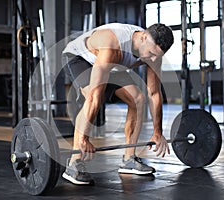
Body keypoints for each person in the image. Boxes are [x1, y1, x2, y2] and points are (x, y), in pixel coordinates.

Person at [61, 23, 174, 185]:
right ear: (143, 38)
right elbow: (94, 96)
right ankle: (74, 163)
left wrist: (158, 132)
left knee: (138, 99)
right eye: (151, 54)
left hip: (114, 66)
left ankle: (129, 159)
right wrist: (84, 138)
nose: (154, 59)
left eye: (158, 55)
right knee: (94, 98)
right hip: (80, 58)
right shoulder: (113, 44)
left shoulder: (153, 54)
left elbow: (154, 93)